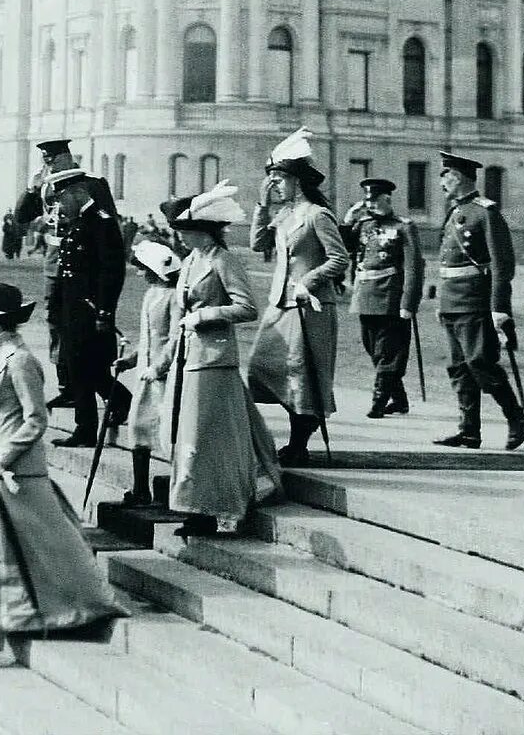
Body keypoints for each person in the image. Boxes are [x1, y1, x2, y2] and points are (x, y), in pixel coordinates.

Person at [0, 266, 125, 664]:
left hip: (14, 470)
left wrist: (2, 458)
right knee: (24, 544)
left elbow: (36, 419)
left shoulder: (21, 361)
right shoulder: (0, 355)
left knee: (18, 543)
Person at [153, 183, 284, 536]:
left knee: (206, 437)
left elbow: (247, 308)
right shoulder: (191, 262)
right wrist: (162, 363)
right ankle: (194, 507)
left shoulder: (224, 261)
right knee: (187, 437)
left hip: (215, 360)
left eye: (184, 232)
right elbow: (180, 319)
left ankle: (212, 508)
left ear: (201, 230)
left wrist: (206, 315)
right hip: (188, 359)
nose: (179, 238)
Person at [13, 138, 129, 443]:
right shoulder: (46, 187)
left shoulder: (92, 188)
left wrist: (103, 309)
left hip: (85, 282)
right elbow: (21, 216)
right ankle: (71, 389)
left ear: (68, 159)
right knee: (60, 333)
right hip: (60, 271)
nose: (49, 166)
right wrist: (30, 187)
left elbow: (108, 257)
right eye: (47, 161)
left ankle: (98, 399)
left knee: (84, 352)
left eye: (54, 160)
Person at [248, 128, 351, 465]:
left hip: (310, 306)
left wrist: (310, 280)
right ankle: (293, 441)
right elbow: (257, 244)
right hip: (280, 305)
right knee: (265, 368)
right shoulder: (285, 215)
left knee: (303, 376)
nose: (274, 185)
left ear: (298, 181)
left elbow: (340, 258)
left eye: (279, 179)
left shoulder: (317, 215)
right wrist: (262, 206)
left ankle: (298, 444)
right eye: (272, 179)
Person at [431, 151, 524, 450]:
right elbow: (447, 262)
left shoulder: (485, 212)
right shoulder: (454, 212)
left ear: (458, 177)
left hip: (475, 301)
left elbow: (502, 265)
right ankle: (469, 430)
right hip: (452, 302)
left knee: (480, 364)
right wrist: (440, 302)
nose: (442, 183)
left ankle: (515, 416)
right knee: (458, 368)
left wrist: (500, 308)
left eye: (445, 177)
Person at [341, 177, 425, 418]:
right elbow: (344, 247)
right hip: (365, 296)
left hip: (390, 297)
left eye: (377, 201)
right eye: (369, 201)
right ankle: (399, 399)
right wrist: (348, 220)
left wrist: (409, 303)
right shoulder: (364, 224)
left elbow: (413, 268)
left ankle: (379, 401)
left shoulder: (403, 226)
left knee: (388, 352)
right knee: (373, 349)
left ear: (388, 200)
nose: (372, 206)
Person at [115, 240, 182, 507]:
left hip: (164, 375)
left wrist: (159, 367)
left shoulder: (174, 297)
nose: (138, 273)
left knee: (170, 431)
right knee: (139, 426)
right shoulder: (151, 294)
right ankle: (140, 488)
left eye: (142, 268)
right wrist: (131, 360)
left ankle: (178, 490)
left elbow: (173, 338)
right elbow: (148, 337)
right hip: (145, 374)